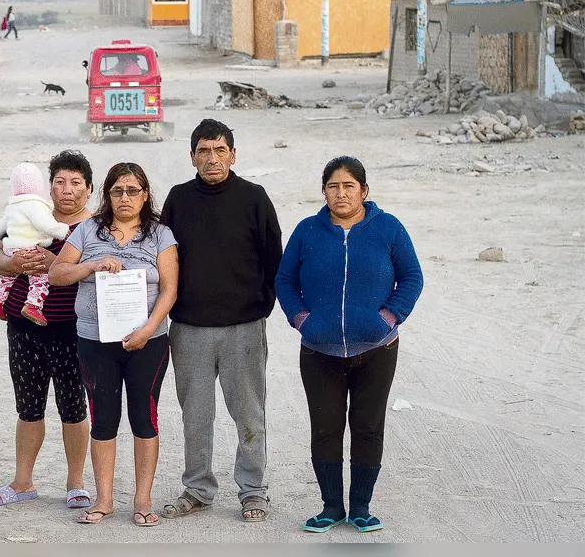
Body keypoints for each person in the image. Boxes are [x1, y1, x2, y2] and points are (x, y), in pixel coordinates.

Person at [275, 156, 423, 534]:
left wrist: (388, 319)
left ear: (364, 191)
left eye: (349, 186)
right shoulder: (308, 231)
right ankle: (330, 508)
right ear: (323, 191)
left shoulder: (388, 228)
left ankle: (360, 507)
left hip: (377, 349)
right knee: (325, 428)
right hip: (319, 351)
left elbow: (411, 277)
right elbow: (285, 281)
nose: (340, 193)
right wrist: (301, 320)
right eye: (333, 186)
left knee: (368, 425)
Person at [159, 118, 283, 523]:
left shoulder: (254, 198)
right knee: (195, 415)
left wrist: (260, 306)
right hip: (190, 328)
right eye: (203, 151)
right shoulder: (178, 199)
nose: (211, 159)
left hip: (243, 329)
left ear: (233, 153)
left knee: (249, 414)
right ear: (191, 156)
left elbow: (273, 257)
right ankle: (198, 488)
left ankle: (253, 491)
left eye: (219, 150)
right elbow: (164, 258)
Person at [50, 162, 179, 527]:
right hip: (95, 339)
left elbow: (169, 288)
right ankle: (104, 499)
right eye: (118, 190)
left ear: (146, 194)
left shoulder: (160, 234)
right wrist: (90, 266)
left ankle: (142, 500)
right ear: (107, 194)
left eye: (133, 191)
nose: (125, 198)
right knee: (103, 418)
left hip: (148, 341)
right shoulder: (88, 229)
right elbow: (58, 274)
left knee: (144, 416)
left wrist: (148, 328)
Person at [0, 150, 94, 511]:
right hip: (22, 326)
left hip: (71, 329)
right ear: (49, 188)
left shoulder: (94, 229)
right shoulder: (32, 215)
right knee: (28, 406)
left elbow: (97, 275)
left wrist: (58, 264)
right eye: (60, 182)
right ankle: (23, 482)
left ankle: (76, 483)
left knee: (73, 407)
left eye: (76, 183)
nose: (67, 190)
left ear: (89, 189)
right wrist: (11, 262)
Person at [0, 163, 70, 326]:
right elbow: (44, 224)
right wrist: (61, 231)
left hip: (11, 247)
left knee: (8, 276)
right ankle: (33, 305)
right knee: (39, 277)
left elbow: (0, 227)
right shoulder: (35, 204)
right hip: (29, 246)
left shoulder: (14, 205)